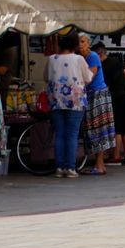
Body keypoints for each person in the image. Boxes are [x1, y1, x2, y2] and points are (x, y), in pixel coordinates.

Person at [45, 35, 92, 179]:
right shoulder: (79, 59)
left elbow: (46, 77)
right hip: (75, 101)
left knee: (59, 134)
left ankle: (59, 168)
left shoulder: (51, 59)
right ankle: (71, 168)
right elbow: (88, 78)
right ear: (74, 46)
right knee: (72, 134)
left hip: (56, 100)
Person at [80, 36, 115, 175]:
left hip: (98, 95)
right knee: (94, 129)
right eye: (78, 41)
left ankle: (99, 165)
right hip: (91, 95)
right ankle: (100, 165)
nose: (80, 44)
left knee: (98, 130)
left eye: (83, 41)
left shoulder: (93, 56)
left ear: (88, 44)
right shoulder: (81, 58)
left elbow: (90, 77)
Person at [106, 53, 125, 166]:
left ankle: (116, 156)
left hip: (115, 96)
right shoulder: (116, 62)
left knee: (117, 127)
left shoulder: (104, 65)